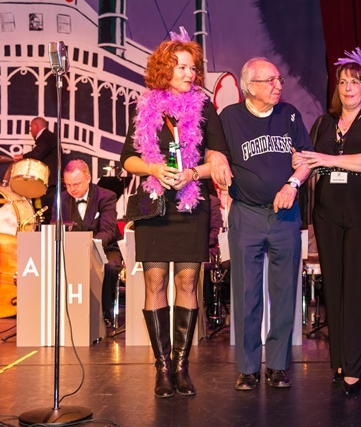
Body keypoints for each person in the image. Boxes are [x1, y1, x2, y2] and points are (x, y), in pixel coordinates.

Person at [120, 27, 231, 398]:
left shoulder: (205, 109)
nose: (189, 73)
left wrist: (192, 173)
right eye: (182, 67)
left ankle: (181, 366)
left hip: (190, 204)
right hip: (154, 207)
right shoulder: (146, 107)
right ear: (164, 70)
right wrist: (153, 168)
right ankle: (162, 367)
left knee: (186, 282)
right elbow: (127, 159)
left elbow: (219, 159)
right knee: (154, 283)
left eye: (192, 67)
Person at [293, 48, 361, 395]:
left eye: (355, 82)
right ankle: (339, 360)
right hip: (327, 214)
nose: (348, 88)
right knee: (335, 289)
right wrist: (300, 163)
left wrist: (327, 159)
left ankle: (354, 366)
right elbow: (309, 161)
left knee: (358, 288)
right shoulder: (323, 123)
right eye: (342, 82)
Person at [219, 57, 312, 391]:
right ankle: (247, 368)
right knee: (247, 293)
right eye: (270, 81)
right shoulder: (230, 117)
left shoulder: (289, 115)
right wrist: (217, 165)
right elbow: (215, 153)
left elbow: (306, 159)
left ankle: (277, 365)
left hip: (285, 215)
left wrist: (293, 184)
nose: (277, 86)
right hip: (247, 213)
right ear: (250, 87)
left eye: (279, 80)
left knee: (284, 292)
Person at [52, 159, 122, 326]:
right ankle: (63, 312)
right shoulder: (61, 198)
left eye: (76, 184)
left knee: (109, 267)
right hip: (71, 248)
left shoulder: (106, 196)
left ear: (88, 178)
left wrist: (87, 245)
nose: (72, 189)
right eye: (68, 185)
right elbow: (54, 227)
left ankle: (104, 312)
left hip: (105, 247)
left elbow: (107, 230)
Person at [13, 117, 58, 224]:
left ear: (36, 126)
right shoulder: (48, 137)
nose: (30, 130)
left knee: (47, 212)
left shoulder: (46, 136)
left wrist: (22, 157)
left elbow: (38, 153)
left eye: (31, 126)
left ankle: (46, 231)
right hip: (49, 182)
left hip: (50, 182)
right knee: (44, 211)